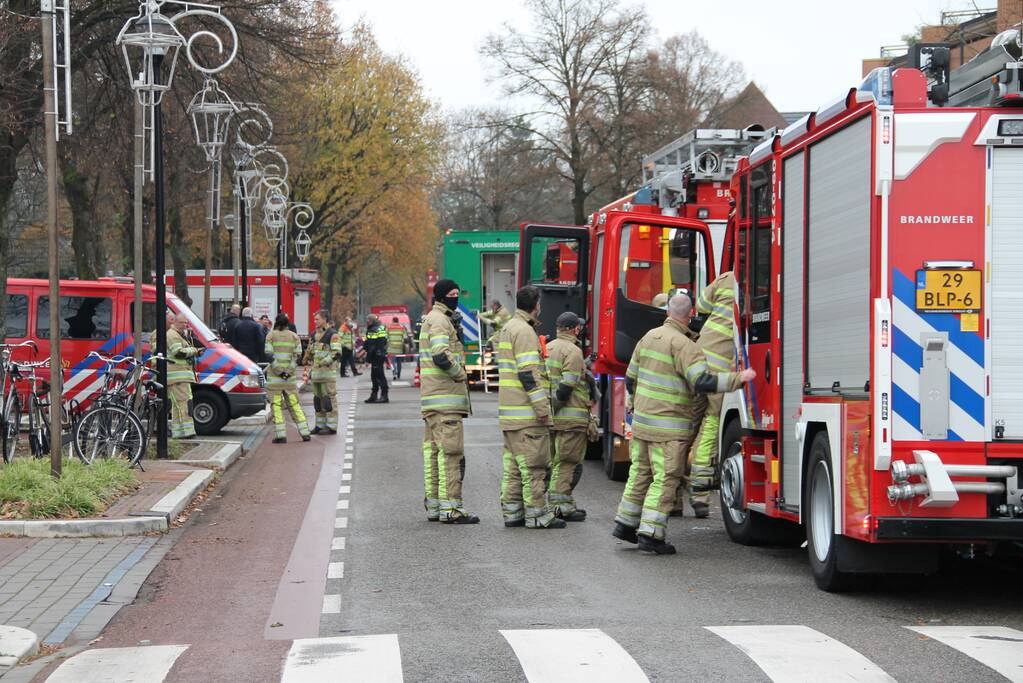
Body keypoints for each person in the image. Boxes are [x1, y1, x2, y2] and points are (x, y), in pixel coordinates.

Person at [612, 293, 755, 554]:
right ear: (690, 315)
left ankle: (625, 523)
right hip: (669, 428)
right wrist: (738, 379)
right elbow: (702, 382)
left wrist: (639, 405)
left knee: (640, 473)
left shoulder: (648, 337)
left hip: (642, 424)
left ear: (668, 311)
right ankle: (651, 534)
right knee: (665, 478)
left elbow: (630, 378)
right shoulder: (686, 346)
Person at [497, 285, 564, 529]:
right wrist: (543, 409)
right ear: (536, 305)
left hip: (511, 413)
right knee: (534, 465)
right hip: (527, 414)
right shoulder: (525, 331)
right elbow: (528, 374)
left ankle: (513, 513)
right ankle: (537, 515)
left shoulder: (508, 327)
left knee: (514, 467)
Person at [419, 279, 477, 524]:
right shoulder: (441, 321)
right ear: (442, 296)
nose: (456, 298)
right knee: (451, 455)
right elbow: (441, 355)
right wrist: (461, 374)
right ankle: (451, 508)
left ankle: (435, 506)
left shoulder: (434, 319)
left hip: (433, 400)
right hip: (446, 400)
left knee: (434, 455)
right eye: (452, 294)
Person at [686, 271, 738, 518]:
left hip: (699, 357)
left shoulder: (726, 278)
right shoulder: (761, 279)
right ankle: (699, 494)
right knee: (711, 424)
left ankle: (671, 494)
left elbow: (701, 305)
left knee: (686, 426)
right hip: (720, 369)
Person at [545, 311, 590, 522]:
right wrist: (557, 405)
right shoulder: (573, 350)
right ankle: (560, 506)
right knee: (567, 462)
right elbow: (567, 385)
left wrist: (549, 409)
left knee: (554, 461)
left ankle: (558, 503)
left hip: (552, 418)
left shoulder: (548, 348)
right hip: (571, 419)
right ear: (575, 329)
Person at [265, 312, 311, 444]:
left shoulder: (270, 336)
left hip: (275, 380)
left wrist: (279, 372)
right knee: (295, 405)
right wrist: (288, 372)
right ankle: (305, 432)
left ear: (276, 322)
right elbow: (298, 356)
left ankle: (281, 435)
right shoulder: (294, 337)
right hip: (289, 380)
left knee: (276, 406)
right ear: (287, 323)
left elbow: (269, 355)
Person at [306, 310, 342, 434]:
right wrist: (306, 357)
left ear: (325, 319)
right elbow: (311, 351)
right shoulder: (313, 335)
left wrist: (324, 361)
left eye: (317, 319)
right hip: (316, 374)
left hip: (327, 374)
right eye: (314, 319)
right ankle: (319, 425)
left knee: (329, 400)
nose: (315, 321)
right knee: (318, 400)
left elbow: (336, 353)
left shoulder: (332, 334)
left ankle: (331, 427)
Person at [167, 311, 200, 439]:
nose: (185, 325)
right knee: (184, 404)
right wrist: (194, 351)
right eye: (182, 322)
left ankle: (178, 432)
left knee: (178, 405)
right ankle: (187, 432)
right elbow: (178, 353)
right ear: (175, 322)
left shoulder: (180, 335)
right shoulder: (172, 335)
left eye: (186, 322)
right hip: (178, 377)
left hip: (180, 377)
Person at [363, 314, 389, 403]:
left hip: (376, 355)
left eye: (368, 320)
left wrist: (367, 360)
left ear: (371, 321)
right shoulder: (381, 327)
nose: (367, 322)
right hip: (381, 354)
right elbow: (384, 342)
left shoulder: (372, 330)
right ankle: (374, 395)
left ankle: (384, 396)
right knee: (374, 376)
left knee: (379, 376)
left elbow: (371, 346)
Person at [386, 316, 408, 381]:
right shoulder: (402, 328)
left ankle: (394, 374)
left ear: (392, 321)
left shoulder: (389, 328)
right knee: (399, 362)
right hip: (399, 348)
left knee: (393, 362)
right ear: (398, 321)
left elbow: (386, 338)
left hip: (391, 348)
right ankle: (398, 374)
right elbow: (405, 337)